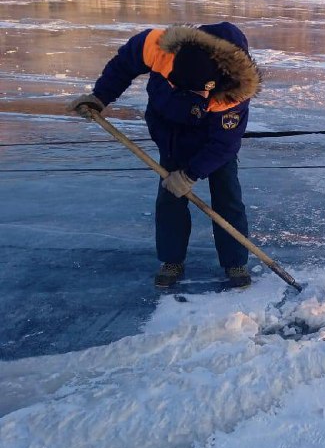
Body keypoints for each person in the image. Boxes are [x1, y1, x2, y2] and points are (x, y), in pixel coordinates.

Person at [67, 22, 260, 288]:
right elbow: (124, 64)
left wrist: (191, 174)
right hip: (169, 131)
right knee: (170, 196)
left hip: (211, 142)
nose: (196, 95)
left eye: (199, 91)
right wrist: (100, 97)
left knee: (227, 196)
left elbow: (224, 143)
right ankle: (172, 260)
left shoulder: (234, 91)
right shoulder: (159, 47)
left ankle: (235, 261)